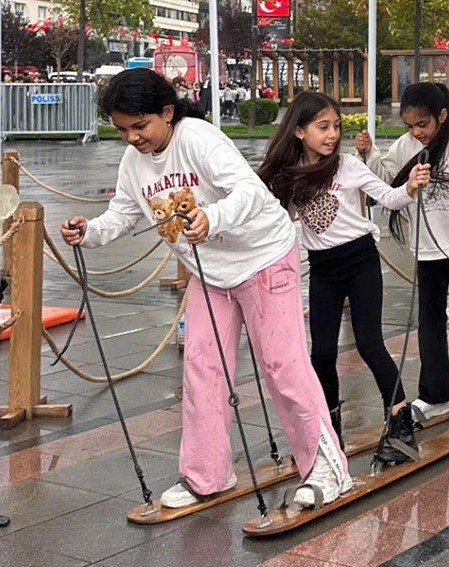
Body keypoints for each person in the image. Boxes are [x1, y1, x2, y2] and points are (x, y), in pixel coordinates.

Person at [60, 69, 351, 509]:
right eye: (122, 130)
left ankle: (328, 470)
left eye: (140, 126)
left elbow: (251, 193)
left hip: (264, 258)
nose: (132, 138)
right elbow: (125, 212)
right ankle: (206, 475)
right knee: (202, 369)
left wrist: (212, 218)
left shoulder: (198, 138)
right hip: (210, 273)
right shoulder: (133, 161)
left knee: (283, 367)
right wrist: (91, 231)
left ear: (167, 112)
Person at [258, 92, 420, 464]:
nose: (332, 135)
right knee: (322, 353)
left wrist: (410, 187)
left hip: (361, 261)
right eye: (322, 127)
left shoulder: (347, 165)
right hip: (324, 269)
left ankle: (401, 424)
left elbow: (390, 198)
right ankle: (329, 431)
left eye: (336, 127)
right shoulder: (290, 175)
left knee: (369, 344)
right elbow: (274, 218)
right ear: (299, 131)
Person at [355, 82, 449, 427]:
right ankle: (435, 394)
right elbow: (384, 179)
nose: (416, 132)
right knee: (429, 317)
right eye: (410, 126)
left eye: (423, 124)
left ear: (442, 117)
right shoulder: (406, 145)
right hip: (429, 242)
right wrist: (368, 153)